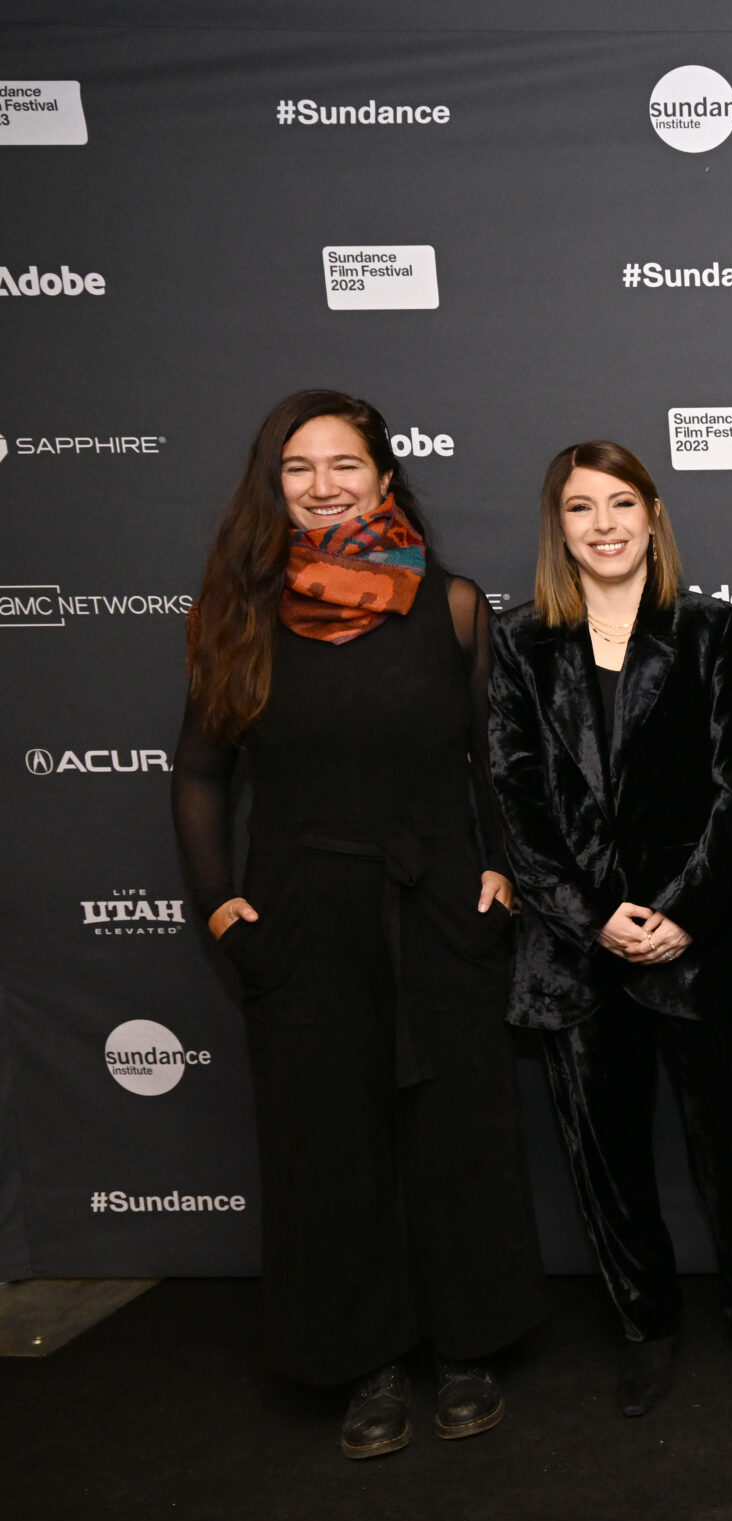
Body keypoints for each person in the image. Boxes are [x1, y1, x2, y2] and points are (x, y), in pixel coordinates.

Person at [172, 389, 545, 1459]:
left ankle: (466, 1346)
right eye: (300, 468)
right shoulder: (232, 614)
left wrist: (501, 877)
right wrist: (221, 907)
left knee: (456, 1135)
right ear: (273, 487)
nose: (325, 484)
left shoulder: (455, 607)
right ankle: (368, 1361)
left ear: (386, 478)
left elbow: (496, 766)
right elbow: (198, 775)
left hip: (437, 905)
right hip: (299, 916)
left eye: (345, 465)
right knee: (327, 1146)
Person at [487, 441, 732, 1417]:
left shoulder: (711, 631)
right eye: (582, 507)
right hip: (576, 958)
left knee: (729, 1153)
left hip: (693, 949)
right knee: (605, 1164)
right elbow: (514, 803)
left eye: (622, 502)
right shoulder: (519, 643)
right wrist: (596, 920)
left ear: (653, 515)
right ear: (558, 526)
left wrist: (677, 916)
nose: (605, 523)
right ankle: (645, 1327)